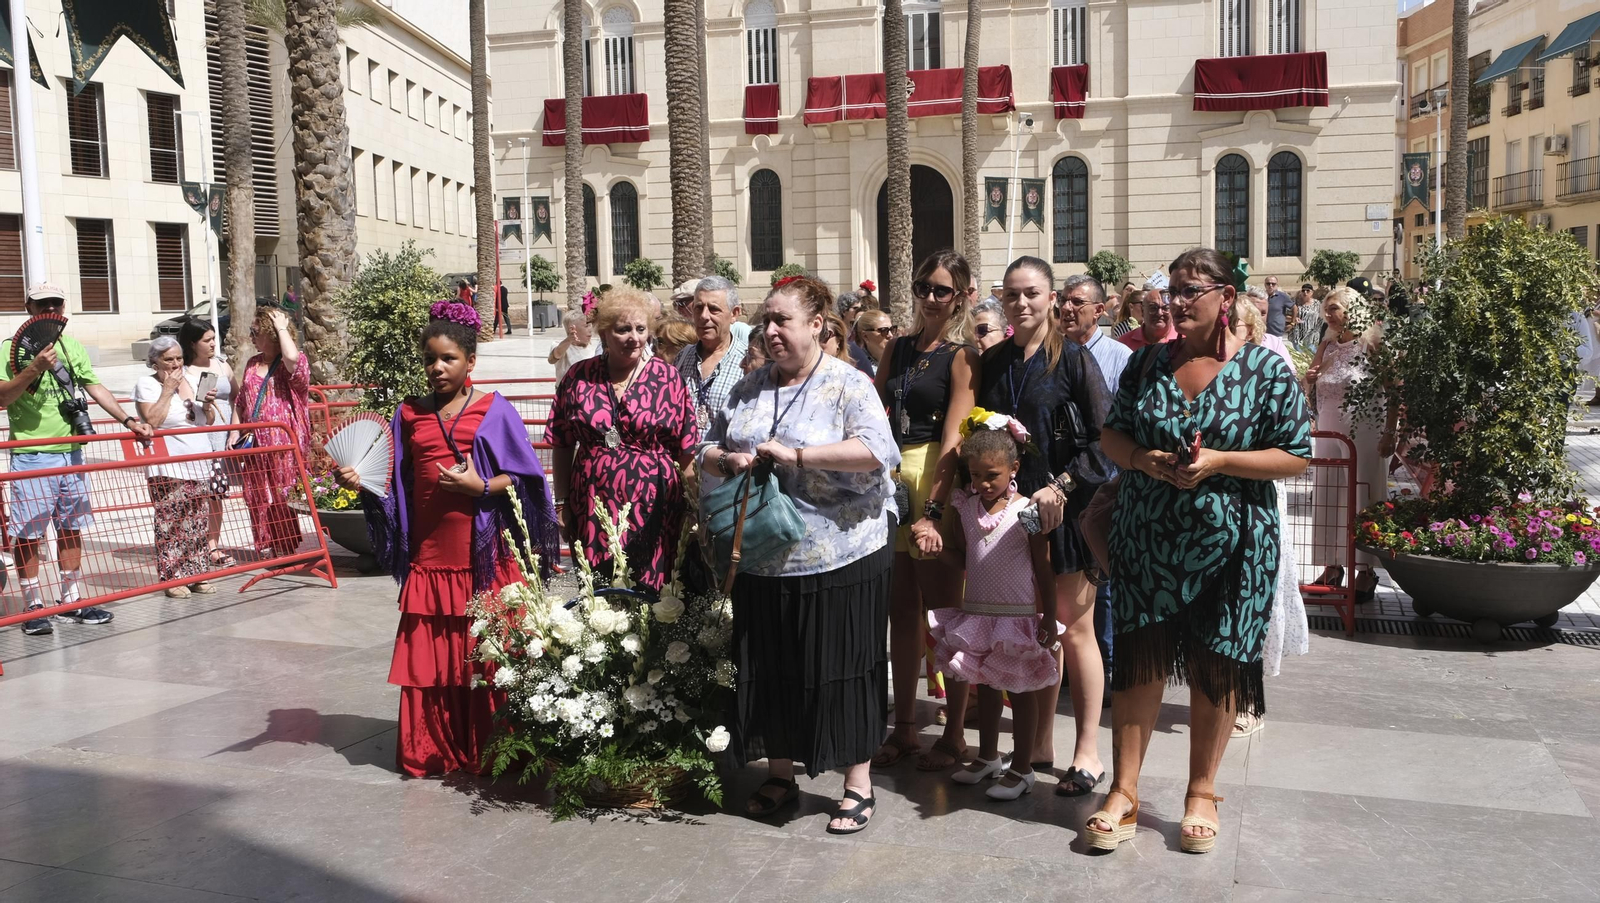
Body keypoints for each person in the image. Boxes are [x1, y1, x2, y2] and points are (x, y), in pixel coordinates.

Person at [1088, 247, 1311, 854]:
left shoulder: (1266, 372)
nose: (1176, 303)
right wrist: (1143, 460)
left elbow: (1295, 454)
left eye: (1191, 291)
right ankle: (1125, 792)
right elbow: (1113, 433)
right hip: (1149, 536)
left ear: (1225, 298)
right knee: (1140, 660)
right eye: (1171, 292)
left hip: (1236, 541)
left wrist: (1219, 462)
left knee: (1218, 661)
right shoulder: (1146, 366)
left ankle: (1201, 792)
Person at [701, 275, 899, 835]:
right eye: (765, 320)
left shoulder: (848, 383)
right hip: (763, 555)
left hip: (842, 554)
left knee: (843, 668)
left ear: (817, 324)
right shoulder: (749, 385)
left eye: (781, 320)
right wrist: (726, 460)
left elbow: (876, 452)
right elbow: (705, 446)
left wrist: (799, 455)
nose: (769, 331)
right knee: (772, 669)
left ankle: (857, 783)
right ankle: (781, 774)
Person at [339, 303, 559, 777]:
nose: (437, 368)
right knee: (432, 662)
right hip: (431, 555)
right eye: (429, 360)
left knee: (490, 655)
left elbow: (526, 477)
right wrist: (360, 483)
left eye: (449, 359)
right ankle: (433, 750)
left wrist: (481, 487)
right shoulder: (408, 414)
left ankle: (494, 750)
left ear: (470, 362)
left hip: (484, 554)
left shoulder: (494, 409)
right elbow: (392, 483)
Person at [978, 256, 1114, 795]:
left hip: (1066, 512)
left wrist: (1063, 484)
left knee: (1075, 631)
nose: (1021, 303)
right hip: (1011, 520)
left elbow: (1107, 440)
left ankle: (1087, 752)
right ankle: (1036, 746)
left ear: (1052, 297)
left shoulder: (1076, 360)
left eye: (1031, 293)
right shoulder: (994, 363)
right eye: (1012, 295)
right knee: (1031, 633)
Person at [869, 250, 979, 772]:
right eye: (923, 287)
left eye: (942, 290)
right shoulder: (897, 347)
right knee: (901, 609)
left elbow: (957, 438)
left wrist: (934, 511)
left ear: (960, 296)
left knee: (945, 613)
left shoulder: (963, 356)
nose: (931, 298)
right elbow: (873, 410)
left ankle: (955, 732)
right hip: (890, 479)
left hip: (935, 474)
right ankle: (906, 727)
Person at [0, 283, 153, 636]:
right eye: (42, 304)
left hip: (72, 453)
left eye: (55, 303)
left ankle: (71, 599)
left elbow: (95, 386)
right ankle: (32, 605)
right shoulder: (10, 349)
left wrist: (129, 421)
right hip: (32, 455)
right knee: (28, 534)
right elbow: (3, 398)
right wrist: (34, 368)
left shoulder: (72, 347)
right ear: (29, 308)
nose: (49, 310)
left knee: (71, 528)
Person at [930, 418, 1060, 799]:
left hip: (1015, 618)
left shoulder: (1027, 512)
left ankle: (1022, 769)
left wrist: (1049, 615)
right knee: (984, 686)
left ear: (1014, 469)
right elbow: (964, 558)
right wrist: (938, 551)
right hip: (978, 615)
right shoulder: (966, 508)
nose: (983, 482)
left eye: (993, 475)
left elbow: (1044, 568)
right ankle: (987, 756)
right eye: (975, 475)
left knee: (1019, 692)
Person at [546, 289, 698, 592]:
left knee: (654, 595)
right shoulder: (578, 376)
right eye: (623, 329)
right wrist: (561, 503)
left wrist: (694, 507)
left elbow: (686, 448)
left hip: (656, 504)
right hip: (591, 503)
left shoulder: (668, 379)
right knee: (598, 592)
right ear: (604, 331)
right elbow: (561, 442)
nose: (634, 338)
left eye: (641, 329)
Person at [1227, 293, 1309, 739]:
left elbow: (1293, 447)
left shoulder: (1268, 372)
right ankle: (1224, 693)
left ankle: (1249, 698)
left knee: (1255, 597)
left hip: (1257, 499)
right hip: (1216, 502)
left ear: (1251, 330)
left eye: (1232, 327)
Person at [1059, 274, 1131, 696]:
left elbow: (1119, 424)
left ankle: (1105, 672)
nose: (1069, 309)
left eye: (1078, 303)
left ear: (1099, 311)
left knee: (1101, 586)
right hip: (1062, 487)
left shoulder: (1119, 357)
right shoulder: (1052, 353)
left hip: (1105, 485)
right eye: (1065, 301)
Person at [1306, 287, 1394, 602]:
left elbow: (1392, 388)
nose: (1329, 315)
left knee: (1363, 494)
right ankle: (1332, 565)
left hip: (1367, 431)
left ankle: (1366, 571)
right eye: (1327, 309)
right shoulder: (1327, 345)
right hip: (1329, 430)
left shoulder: (1373, 343)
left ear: (1352, 310)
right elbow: (1312, 387)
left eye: (1335, 309)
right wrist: (1310, 380)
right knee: (1328, 493)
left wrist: (1391, 432)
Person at [134, 337, 220, 598]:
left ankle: (197, 573)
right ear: (154, 361)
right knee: (171, 523)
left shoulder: (192, 380)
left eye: (179, 358)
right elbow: (153, 420)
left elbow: (206, 421)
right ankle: (172, 577)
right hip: (168, 465)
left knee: (196, 522)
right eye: (168, 359)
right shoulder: (147, 384)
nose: (174, 364)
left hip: (198, 461)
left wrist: (206, 404)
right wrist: (168, 389)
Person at [235, 307, 311, 559]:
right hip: (255, 440)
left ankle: (285, 544)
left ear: (270, 333)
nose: (251, 337)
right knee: (256, 493)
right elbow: (241, 402)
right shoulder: (252, 363)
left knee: (282, 492)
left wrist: (281, 327)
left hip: (282, 441)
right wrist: (234, 433)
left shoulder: (291, 363)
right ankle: (265, 543)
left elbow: (292, 358)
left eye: (255, 331)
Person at [178, 318, 236, 568]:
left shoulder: (223, 365)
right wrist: (204, 403)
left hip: (225, 438)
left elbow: (238, 397)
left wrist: (235, 431)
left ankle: (212, 544)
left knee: (217, 494)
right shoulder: (183, 372)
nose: (213, 344)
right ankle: (197, 544)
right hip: (200, 438)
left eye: (214, 338)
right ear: (193, 344)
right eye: (207, 340)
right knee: (199, 494)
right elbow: (188, 409)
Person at [674, 276, 748, 445]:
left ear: (734, 314)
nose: (704, 316)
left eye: (714, 309)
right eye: (698, 308)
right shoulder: (682, 357)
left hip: (725, 467)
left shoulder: (747, 362)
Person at [548, 305, 600, 382]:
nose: (590, 330)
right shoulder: (561, 346)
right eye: (586, 326)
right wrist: (569, 340)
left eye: (590, 325)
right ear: (572, 329)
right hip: (567, 392)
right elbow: (553, 358)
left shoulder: (595, 346)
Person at [1245, 285, 1293, 363]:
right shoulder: (1233, 342)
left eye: (1263, 313)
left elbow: (1289, 372)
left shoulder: (1275, 343)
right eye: (1254, 312)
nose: (1258, 317)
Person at [853, 310, 893, 375]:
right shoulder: (858, 367)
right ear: (865, 336)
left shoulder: (899, 361)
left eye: (892, 329)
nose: (890, 335)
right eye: (883, 330)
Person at [1288, 282, 1323, 349]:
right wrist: (1294, 318)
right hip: (1297, 335)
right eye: (1303, 290)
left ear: (1312, 292)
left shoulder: (1317, 304)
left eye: (1307, 290)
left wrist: (1317, 331)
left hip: (1312, 336)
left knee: (1311, 355)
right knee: (1300, 357)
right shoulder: (1296, 303)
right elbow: (1287, 315)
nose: (1305, 292)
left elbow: (1321, 318)